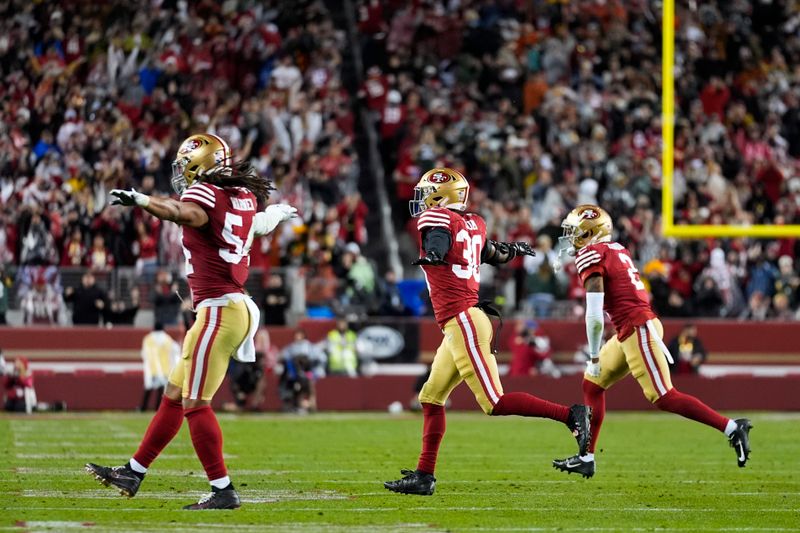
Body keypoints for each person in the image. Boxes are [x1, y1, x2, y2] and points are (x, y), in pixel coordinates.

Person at [85, 133, 297, 509]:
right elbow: (256, 225)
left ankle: (222, 490)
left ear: (200, 165)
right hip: (228, 309)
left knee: (196, 404)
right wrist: (278, 213)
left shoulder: (203, 196)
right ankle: (133, 471)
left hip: (220, 309)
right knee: (173, 396)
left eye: (186, 166)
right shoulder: (240, 196)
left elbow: (181, 213)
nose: (183, 175)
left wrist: (143, 201)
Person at [384, 168, 591, 496]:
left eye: (427, 195)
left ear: (441, 197)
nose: (423, 201)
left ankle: (570, 415)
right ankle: (424, 476)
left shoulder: (437, 221)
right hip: (459, 323)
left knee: (493, 401)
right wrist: (515, 249)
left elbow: (439, 239)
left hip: (464, 320)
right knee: (430, 397)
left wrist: (435, 254)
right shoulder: (474, 223)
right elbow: (492, 251)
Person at [552, 205, 752, 479]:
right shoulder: (615, 249)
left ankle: (732, 428)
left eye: (576, 232)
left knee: (663, 396)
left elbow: (595, 315)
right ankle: (586, 457)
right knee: (592, 385)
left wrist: (595, 355)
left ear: (591, 233)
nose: (571, 239)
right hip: (630, 329)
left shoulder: (592, 254)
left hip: (638, 328)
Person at [140, 323, 180, 411]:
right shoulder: (167, 339)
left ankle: (143, 408)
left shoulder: (148, 339)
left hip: (152, 369)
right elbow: (176, 351)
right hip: (165, 369)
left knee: (148, 389)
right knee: (161, 390)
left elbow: (144, 354)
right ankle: (158, 408)